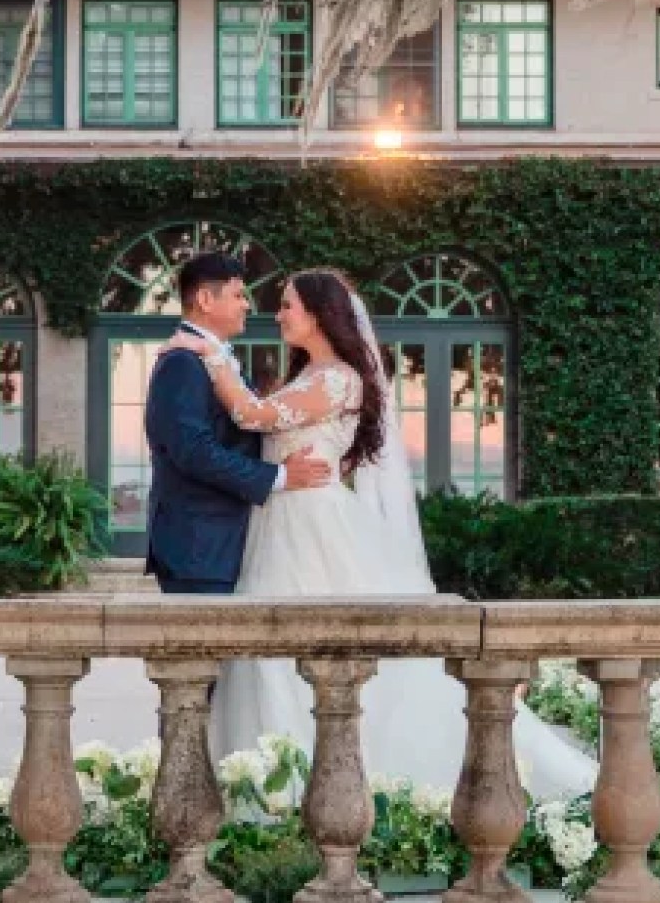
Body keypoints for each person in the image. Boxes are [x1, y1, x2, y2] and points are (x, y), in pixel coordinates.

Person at [169, 266, 595, 803]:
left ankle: (322, 784)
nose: (277, 314)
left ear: (320, 315)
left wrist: (212, 356)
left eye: (288, 306)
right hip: (277, 522)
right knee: (267, 652)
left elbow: (254, 417)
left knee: (314, 649)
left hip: (311, 525)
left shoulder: (337, 378)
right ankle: (269, 784)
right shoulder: (306, 376)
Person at [141, 252, 332, 594]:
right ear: (204, 300)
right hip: (201, 547)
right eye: (238, 295)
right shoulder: (182, 363)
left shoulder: (213, 359)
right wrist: (280, 476)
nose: (247, 305)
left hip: (225, 542)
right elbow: (194, 452)